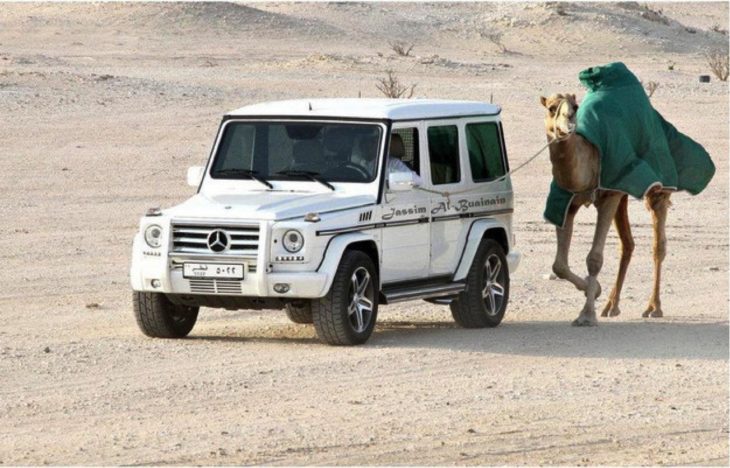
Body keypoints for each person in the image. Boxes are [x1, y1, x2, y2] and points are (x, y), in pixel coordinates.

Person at [357, 133, 423, 185]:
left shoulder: (392, 163)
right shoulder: (356, 162)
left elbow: (417, 181)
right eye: (363, 143)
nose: (364, 146)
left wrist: (392, 181)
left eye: (371, 142)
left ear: (378, 144)